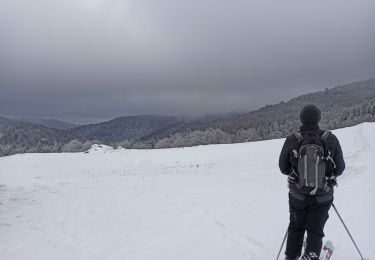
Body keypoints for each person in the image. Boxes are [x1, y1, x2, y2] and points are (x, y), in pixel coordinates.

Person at [279, 104, 345, 260]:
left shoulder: (292, 139)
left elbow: (283, 168)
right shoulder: (330, 138)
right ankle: (311, 255)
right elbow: (340, 168)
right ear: (319, 119)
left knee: (295, 227)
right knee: (315, 229)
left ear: (301, 119)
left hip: (298, 195)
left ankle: (291, 256)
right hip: (323, 196)